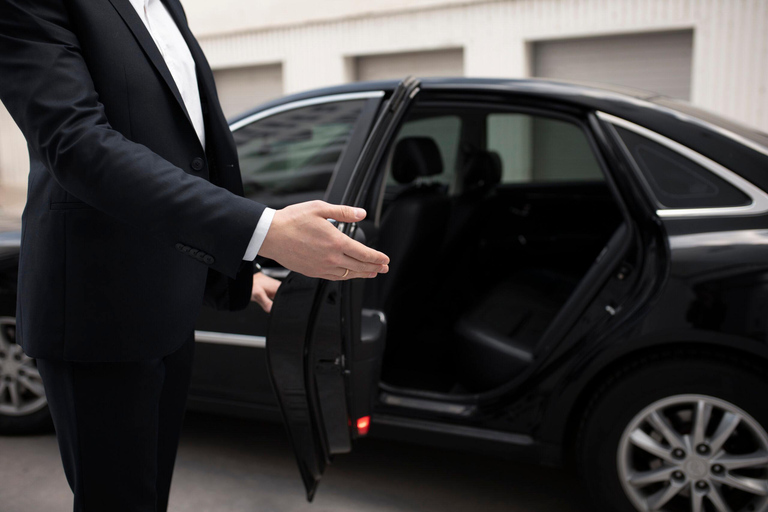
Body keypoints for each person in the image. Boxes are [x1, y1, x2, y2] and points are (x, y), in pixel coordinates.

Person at [0, 0, 389, 510]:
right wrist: (263, 231)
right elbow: (78, 146)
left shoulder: (166, 4)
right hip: (97, 312)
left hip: (169, 308)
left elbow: (185, 153)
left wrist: (236, 277)